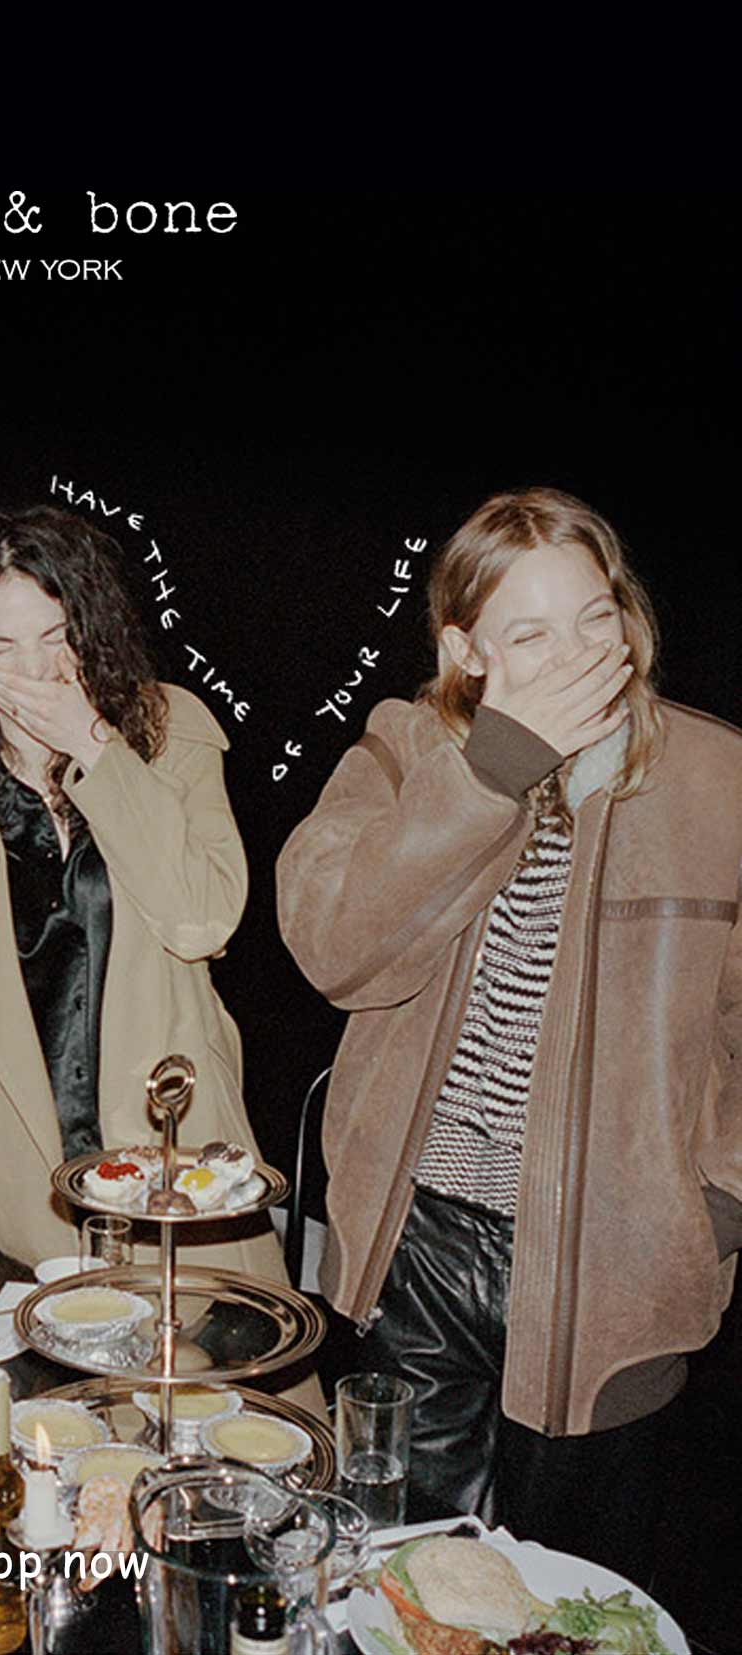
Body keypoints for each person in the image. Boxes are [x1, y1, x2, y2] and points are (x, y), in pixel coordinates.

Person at [277, 487, 742, 1578]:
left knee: (573, 1599)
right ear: (464, 650)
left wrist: (714, 1204)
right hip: (417, 1247)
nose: (575, 655)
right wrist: (488, 772)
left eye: (594, 616)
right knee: (403, 1577)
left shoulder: (717, 778)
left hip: (614, 1266)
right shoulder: (403, 752)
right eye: (529, 634)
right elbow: (334, 949)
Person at [0, 505, 306, 1303]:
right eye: (2, 646)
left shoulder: (168, 734)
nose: (37, 670)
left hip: (173, 1152)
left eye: (56, 636)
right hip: (25, 1174)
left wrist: (93, 744)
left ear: (89, 627)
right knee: (47, 1372)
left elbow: (203, 917)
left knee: (194, 1365)